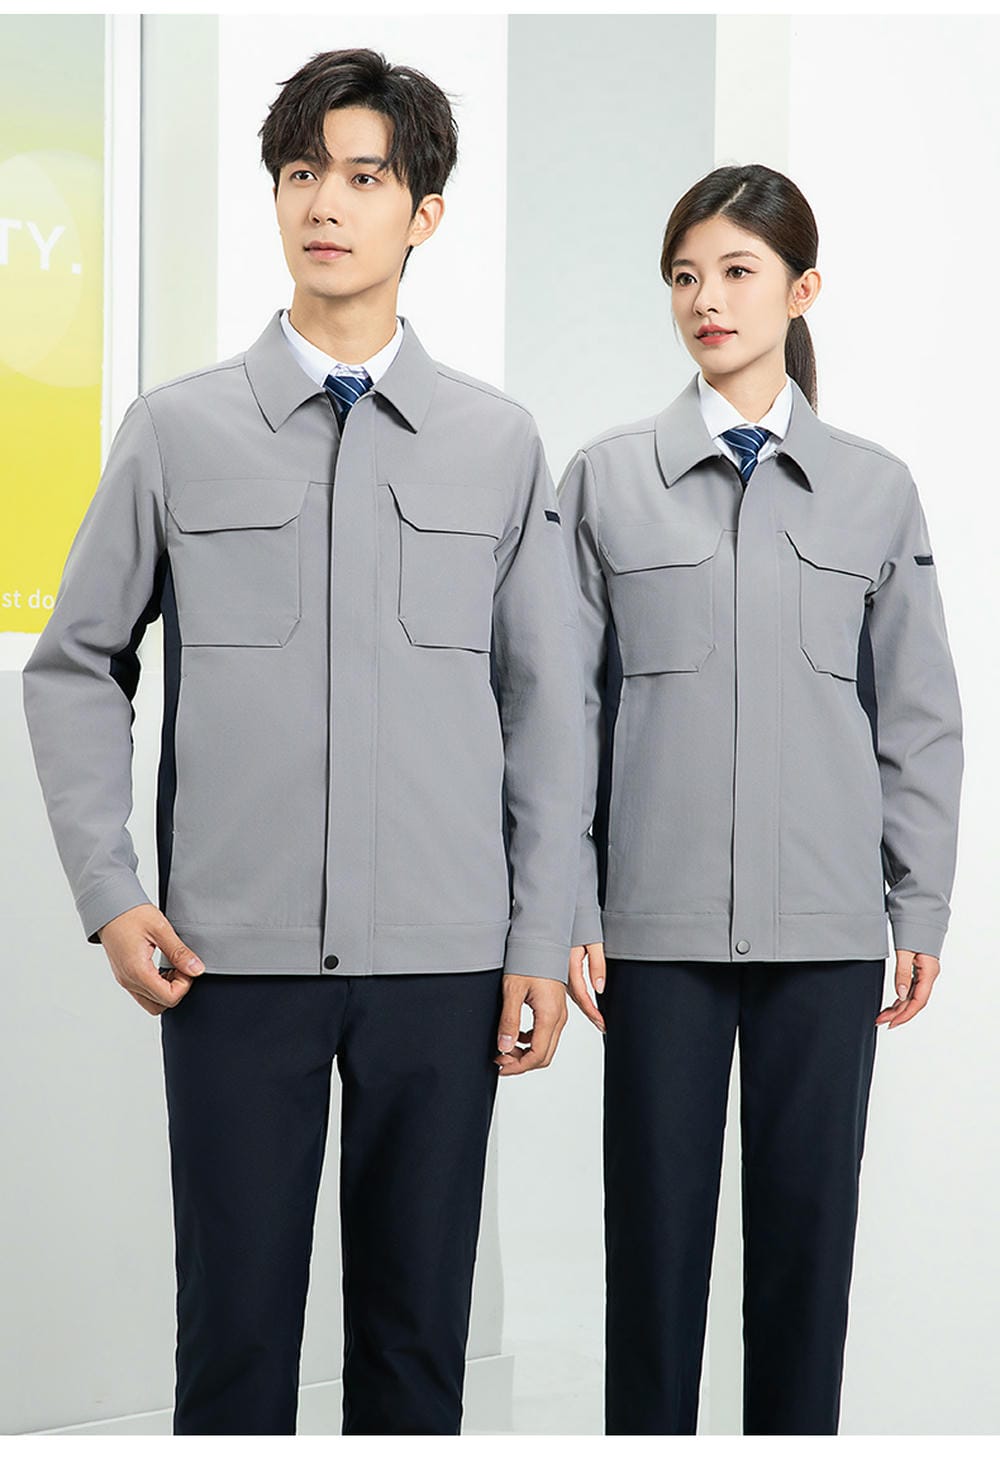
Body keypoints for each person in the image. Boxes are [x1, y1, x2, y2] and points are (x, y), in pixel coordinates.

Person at [22, 48, 584, 1436]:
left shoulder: (497, 444)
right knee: (233, 1347)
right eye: (299, 172)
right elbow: (76, 663)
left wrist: (538, 933)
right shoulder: (176, 431)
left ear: (423, 211)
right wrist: (109, 891)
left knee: (415, 1350)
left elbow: (547, 703)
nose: (325, 203)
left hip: (443, 967)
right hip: (233, 964)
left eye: (363, 176)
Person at [557, 163, 963, 1435]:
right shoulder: (605, 480)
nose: (707, 301)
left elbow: (918, 717)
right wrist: (567, 901)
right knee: (653, 1266)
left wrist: (918, 904)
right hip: (655, 937)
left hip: (826, 938)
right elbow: (558, 714)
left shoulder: (875, 489)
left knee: (805, 1263)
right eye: (685, 276)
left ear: (802, 290)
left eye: (737, 272)